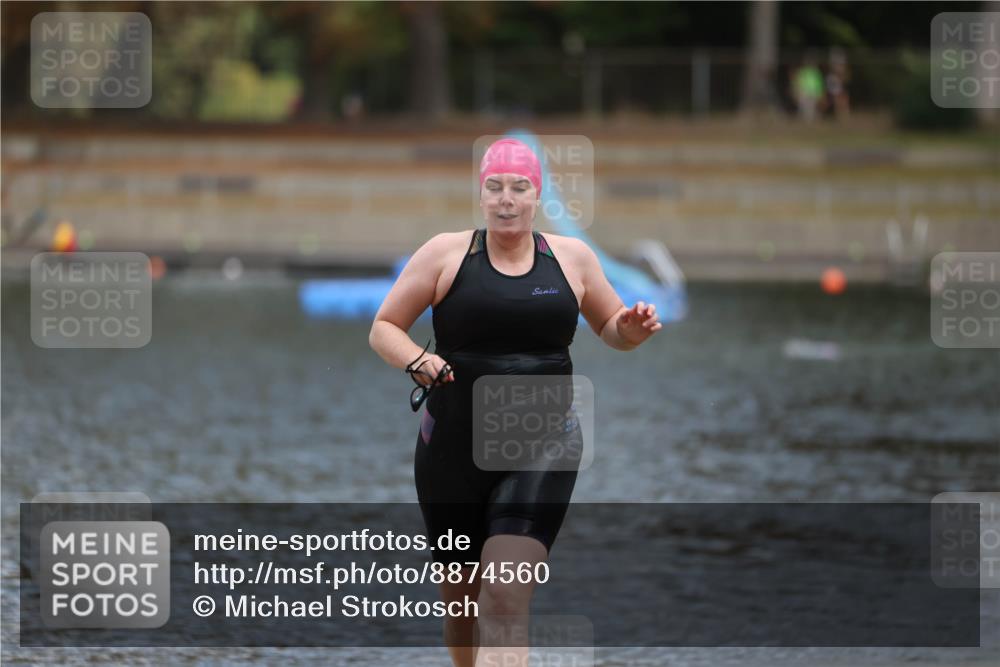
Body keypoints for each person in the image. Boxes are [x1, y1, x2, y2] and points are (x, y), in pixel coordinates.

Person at [368, 138, 661, 667]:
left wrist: (632, 329)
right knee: (462, 605)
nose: (506, 199)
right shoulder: (445, 254)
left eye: (519, 187)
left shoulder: (571, 259)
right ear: (481, 193)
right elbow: (384, 327)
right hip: (452, 450)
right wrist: (417, 360)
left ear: (537, 195)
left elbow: (612, 330)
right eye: (495, 187)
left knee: (504, 595)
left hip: (543, 445)